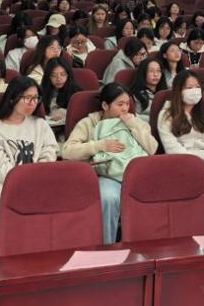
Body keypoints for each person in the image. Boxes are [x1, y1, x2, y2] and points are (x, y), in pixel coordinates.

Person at [62, 83, 158, 243]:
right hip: (108, 175)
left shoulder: (134, 121)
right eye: (120, 104)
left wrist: (132, 126)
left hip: (136, 174)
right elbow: (67, 151)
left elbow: (153, 148)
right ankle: (107, 245)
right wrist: (99, 145)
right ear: (105, 105)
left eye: (127, 104)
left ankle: (145, 247)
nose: (125, 109)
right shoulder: (89, 123)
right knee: (108, 198)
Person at [0, 76, 59, 250]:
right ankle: (6, 261)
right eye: (27, 98)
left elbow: (49, 154)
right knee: (17, 207)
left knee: (39, 207)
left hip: (34, 182)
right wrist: (27, 184)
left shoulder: (40, 125)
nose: (32, 103)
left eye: (36, 98)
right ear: (12, 98)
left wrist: (36, 179)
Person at [157, 70, 204, 229]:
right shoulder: (166, 115)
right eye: (189, 87)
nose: (194, 91)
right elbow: (172, 147)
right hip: (182, 165)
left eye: (197, 87)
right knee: (197, 188)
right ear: (179, 90)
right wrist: (198, 166)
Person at [40, 56, 81, 127]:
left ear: (68, 75)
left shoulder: (76, 93)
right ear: (48, 77)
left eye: (63, 74)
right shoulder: (41, 91)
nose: (59, 79)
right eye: (54, 75)